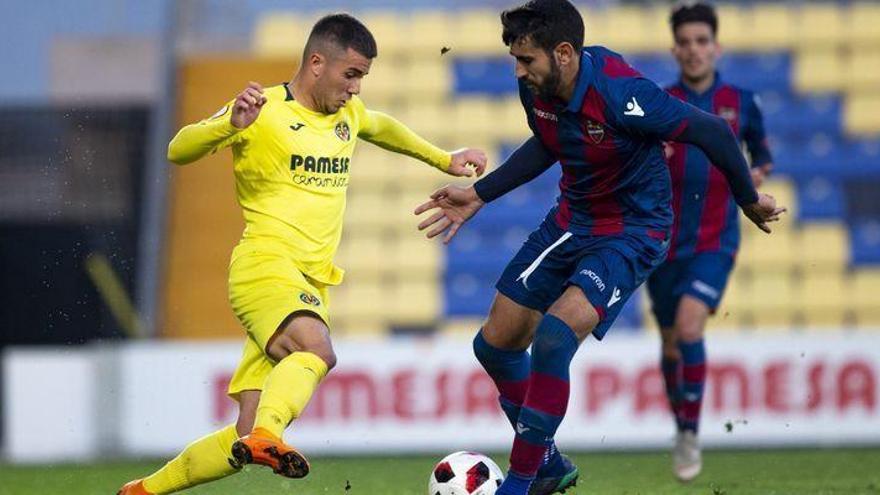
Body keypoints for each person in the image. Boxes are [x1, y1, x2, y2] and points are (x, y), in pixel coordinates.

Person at [414, 1, 784, 494]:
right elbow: (549, 142)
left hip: (633, 232)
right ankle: (546, 462)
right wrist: (480, 195)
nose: (519, 71)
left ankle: (520, 483)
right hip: (573, 220)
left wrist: (748, 199)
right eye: (516, 60)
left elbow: (712, 131)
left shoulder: (622, 94)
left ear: (563, 53)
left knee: (552, 338)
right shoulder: (537, 88)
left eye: (527, 60)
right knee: (494, 345)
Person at [118, 13, 486, 495]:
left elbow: (382, 127)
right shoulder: (261, 109)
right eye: (350, 74)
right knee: (317, 350)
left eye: (362, 78)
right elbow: (177, 149)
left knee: (242, 436)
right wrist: (228, 123)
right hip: (265, 267)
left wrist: (445, 159)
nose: (356, 88)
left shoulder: (348, 116)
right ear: (317, 63)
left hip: (307, 282)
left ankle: (142, 491)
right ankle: (272, 436)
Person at [647, 1, 774, 482]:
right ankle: (681, 422)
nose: (693, 50)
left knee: (689, 327)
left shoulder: (742, 102)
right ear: (675, 48)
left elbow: (761, 155)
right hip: (659, 244)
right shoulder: (659, 102)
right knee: (670, 344)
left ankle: (690, 435)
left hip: (714, 241)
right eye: (685, 42)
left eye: (702, 41)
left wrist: (755, 176)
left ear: (716, 46)